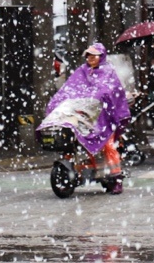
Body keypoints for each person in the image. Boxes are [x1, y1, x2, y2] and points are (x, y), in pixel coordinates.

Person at [44, 42, 131, 194]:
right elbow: (69, 89)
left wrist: (97, 97)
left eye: (94, 54)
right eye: (88, 55)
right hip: (84, 117)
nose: (90, 58)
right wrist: (57, 102)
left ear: (101, 56)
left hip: (104, 117)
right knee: (77, 140)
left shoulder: (108, 71)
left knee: (108, 145)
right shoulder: (81, 71)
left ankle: (116, 178)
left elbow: (109, 90)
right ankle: (82, 168)